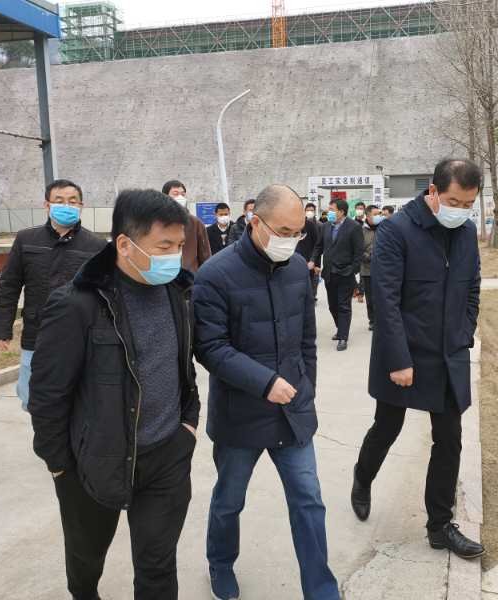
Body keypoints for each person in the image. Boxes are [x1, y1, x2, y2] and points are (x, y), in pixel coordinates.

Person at [29, 189, 201, 599]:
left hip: (166, 456)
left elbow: (181, 366)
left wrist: (189, 424)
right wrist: (60, 466)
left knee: (158, 566)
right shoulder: (76, 305)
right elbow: (48, 395)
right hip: (95, 462)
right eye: (163, 246)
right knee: (86, 561)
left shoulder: (177, 293)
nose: (174, 257)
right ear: (125, 244)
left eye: (179, 246)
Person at [194, 184, 340, 600]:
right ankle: (221, 563)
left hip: (293, 411)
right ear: (255, 222)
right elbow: (210, 347)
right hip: (240, 414)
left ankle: (321, 590)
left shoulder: (296, 270)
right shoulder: (215, 275)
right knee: (230, 499)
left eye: (298, 232)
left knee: (309, 500)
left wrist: (306, 386)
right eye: (283, 232)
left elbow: (307, 339)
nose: (291, 241)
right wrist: (264, 382)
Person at [351, 159, 484, 560]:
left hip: (448, 354)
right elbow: (386, 300)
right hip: (405, 354)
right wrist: (398, 359)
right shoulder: (397, 231)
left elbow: (472, 286)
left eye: (468, 204)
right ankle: (362, 478)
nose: (460, 211)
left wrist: (464, 333)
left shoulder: (466, 232)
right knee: (387, 427)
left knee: (450, 439)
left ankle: (440, 525)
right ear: (433, 192)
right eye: (453, 202)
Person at [0, 179, 105, 411]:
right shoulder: (26, 240)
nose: (66, 206)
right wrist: (2, 328)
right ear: (47, 205)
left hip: (79, 335)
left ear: (81, 206)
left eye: (72, 201)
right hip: (37, 334)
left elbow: (104, 293)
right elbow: (9, 286)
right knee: (32, 398)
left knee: (77, 399)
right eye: (59, 201)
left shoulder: (96, 245)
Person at [310, 199, 363, 351]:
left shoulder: (354, 227)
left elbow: (358, 252)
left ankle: (343, 337)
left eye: (332, 209)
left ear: (341, 211)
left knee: (343, 306)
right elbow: (319, 246)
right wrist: (313, 260)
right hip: (329, 273)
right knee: (333, 305)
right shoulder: (326, 226)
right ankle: (341, 329)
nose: (329, 212)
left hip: (345, 274)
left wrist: (352, 270)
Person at [162, 179, 211, 272]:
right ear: (165, 196)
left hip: (189, 275)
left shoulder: (195, 223)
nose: (180, 197)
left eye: (183, 194)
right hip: (164, 274)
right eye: (175, 194)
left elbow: (205, 255)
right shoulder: (157, 222)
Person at [360, 205, 382, 331]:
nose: (378, 216)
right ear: (368, 216)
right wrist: (368, 257)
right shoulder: (361, 230)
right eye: (375, 214)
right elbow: (358, 248)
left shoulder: (384, 228)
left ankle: (382, 319)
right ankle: (372, 320)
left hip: (383, 269)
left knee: (382, 296)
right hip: (367, 269)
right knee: (370, 298)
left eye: (379, 213)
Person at [297, 202, 322, 301]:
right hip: (297, 261)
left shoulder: (312, 225)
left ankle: (312, 298)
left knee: (312, 285)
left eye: (311, 210)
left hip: (310, 261)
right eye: (307, 210)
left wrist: (316, 263)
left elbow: (318, 245)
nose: (309, 212)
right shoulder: (292, 224)